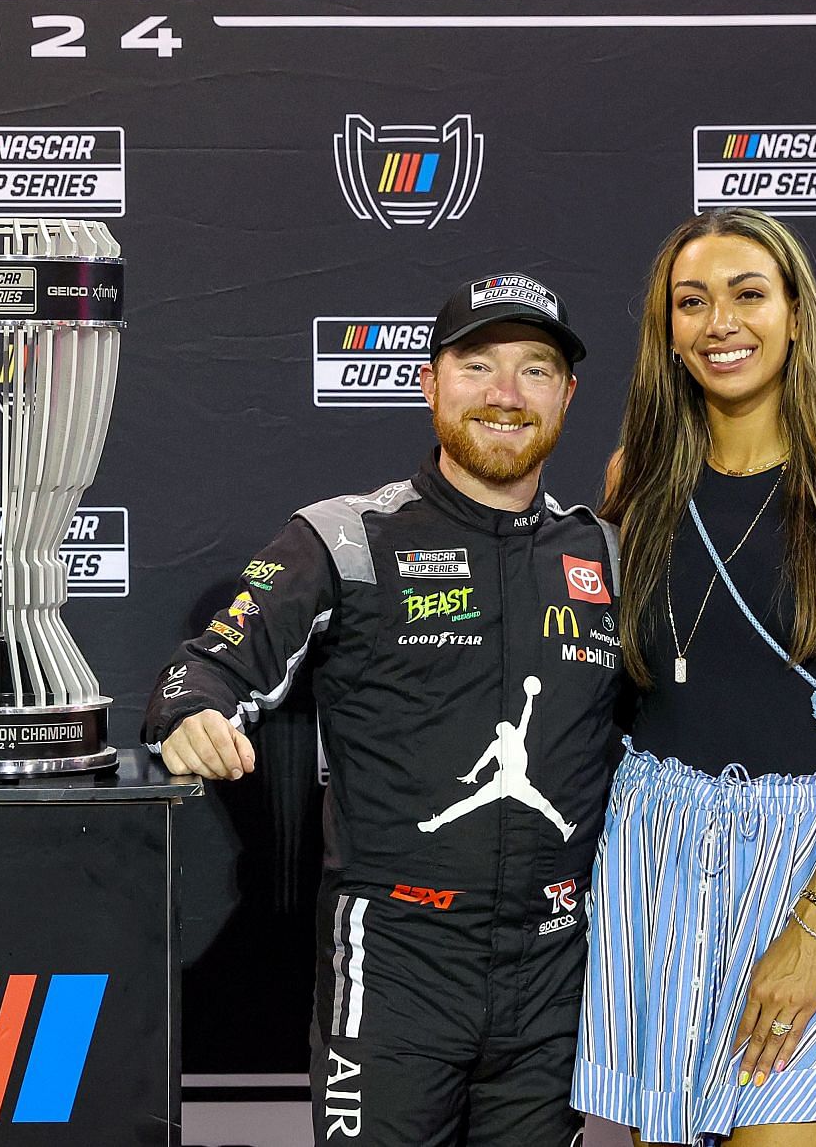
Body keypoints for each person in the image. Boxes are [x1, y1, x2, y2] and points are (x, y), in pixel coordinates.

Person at [144, 272, 622, 1146]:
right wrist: (192, 714)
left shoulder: (607, 555)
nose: (507, 395)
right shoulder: (345, 536)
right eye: (478, 365)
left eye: (535, 370)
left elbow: (695, 712)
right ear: (431, 383)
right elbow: (210, 665)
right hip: (396, 961)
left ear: (568, 394)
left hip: (556, 969)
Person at [572, 208, 816, 1146]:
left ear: (796, 315)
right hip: (657, 861)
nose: (720, 323)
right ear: (668, 330)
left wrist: (814, 929)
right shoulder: (636, 479)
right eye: (691, 302)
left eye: (748, 294)